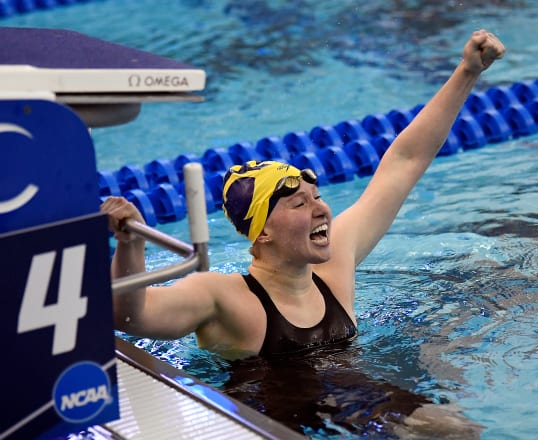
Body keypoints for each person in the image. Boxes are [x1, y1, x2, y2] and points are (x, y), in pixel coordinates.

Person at [103, 29, 505, 436]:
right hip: (266, 423)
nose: (322, 209)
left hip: (352, 401)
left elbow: (404, 161)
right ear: (262, 234)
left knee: (457, 428)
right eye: (300, 204)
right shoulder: (223, 297)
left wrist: (467, 71)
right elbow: (130, 315)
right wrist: (130, 244)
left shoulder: (335, 269)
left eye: (318, 197)